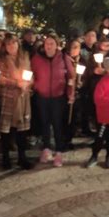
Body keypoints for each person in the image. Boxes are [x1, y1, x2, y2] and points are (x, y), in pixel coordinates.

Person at [32, 34, 75, 167]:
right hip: (42, 96)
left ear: (57, 45)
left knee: (57, 124)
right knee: (44, 123)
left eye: (52, 43)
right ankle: (46, 148)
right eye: (46, 44)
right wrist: (33, 85)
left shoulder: (63, 58)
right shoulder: (36, 58)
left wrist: (70, 93)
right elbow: (30, 74)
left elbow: (71, 76)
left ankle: (59, 151)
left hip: (58, 97)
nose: (49, 46)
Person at [0, 33, 34, 170]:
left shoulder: (24, 57)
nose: (11, 46)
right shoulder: (1, 60)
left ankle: (21, 157)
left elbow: (30, 74)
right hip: (8, 98)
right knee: (7, 130)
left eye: (14, 43)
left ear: (18, 44)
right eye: (8, 44)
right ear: (5, 46)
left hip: (23, 98)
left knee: (22, 130)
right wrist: (16, 83)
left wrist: (27, 83)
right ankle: (6, 158)